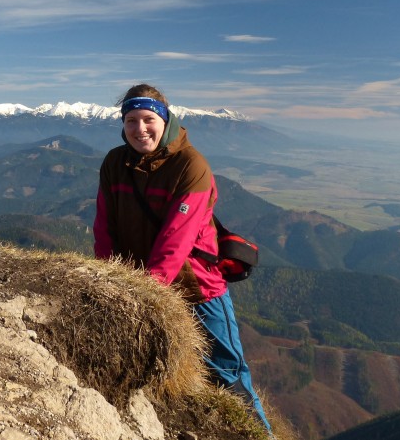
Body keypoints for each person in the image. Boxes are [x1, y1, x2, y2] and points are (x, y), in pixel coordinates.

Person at [93, 83, 272, 434]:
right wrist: (108, 278)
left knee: (226, 370)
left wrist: (144, 293)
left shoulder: (192, 166)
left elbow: (176, 240)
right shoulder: (115, 162)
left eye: (148, 119)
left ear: (165, 119)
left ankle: (259, 433)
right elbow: (104, 225)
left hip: (197, 288)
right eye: (131, 120)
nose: (139, 129)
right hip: (137, 285)